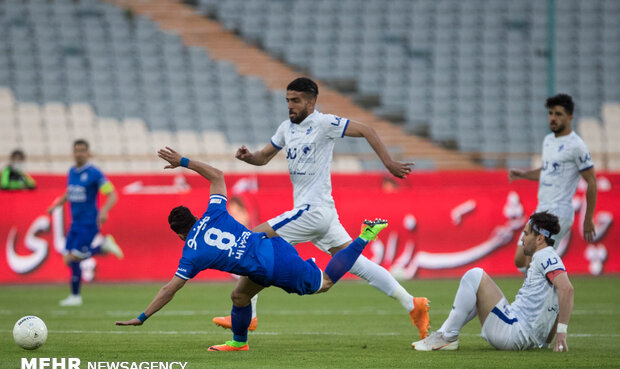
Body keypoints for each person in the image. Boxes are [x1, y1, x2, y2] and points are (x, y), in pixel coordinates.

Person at [212, 77, 430, 339]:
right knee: (356, 263)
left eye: (296, 101)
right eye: (288, 101)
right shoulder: (286, 128)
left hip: (313, 210)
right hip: (322, 214)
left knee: (252, 240)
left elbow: (367, 130)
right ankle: (412, 304)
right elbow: (264, 157)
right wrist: (250, 157)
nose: (290, 106)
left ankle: (250, 317)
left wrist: (389, 163)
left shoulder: (324, 123)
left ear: (311, 102)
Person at [115, 147, 388, 352]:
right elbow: (217, 176)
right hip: (270, 247)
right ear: (195, 217)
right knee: (239, 297)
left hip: (272, 265)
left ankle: (364, 236)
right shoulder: (213, 211)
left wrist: (142, 317)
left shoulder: (192, 252)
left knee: (325, 283)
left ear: (178, 234)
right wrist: (183, 162)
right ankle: (239, 343)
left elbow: (169, 289)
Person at [413, 211, 574, 352]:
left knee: (474, 275)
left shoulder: (545, 255)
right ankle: (443, 334)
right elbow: (557, 304)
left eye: (526, 234)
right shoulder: (548, 258)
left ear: (539, 238)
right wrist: (545, 342)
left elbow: (567, 289)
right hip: (520, 333)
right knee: (475, 291)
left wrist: (561, 333)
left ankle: (447, 337)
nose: (522, 239)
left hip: (514, 332)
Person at [509, 94, 597, 274]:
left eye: (558, 114)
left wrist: (588, 218)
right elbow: (546, 171)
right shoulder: (548, 140)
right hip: (541, 209)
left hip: (558, 212)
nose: (553, 118)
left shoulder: (577, 146)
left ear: (570, 117)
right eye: (550, 113)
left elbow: (592, 181)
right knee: (521, 259)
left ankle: (545, 299)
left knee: (533, 260)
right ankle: (550, 293)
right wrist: (524, 174)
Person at [47, 139, 123, 306]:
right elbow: (70, 192)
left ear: (88, 153)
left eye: (82, 150)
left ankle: (102, 247)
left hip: (89, 223)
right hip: (75, 223)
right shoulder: (71, 172)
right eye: (76, 150)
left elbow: (112, 194)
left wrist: (103, 211)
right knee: (68, 259)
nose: (79, 153)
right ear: (72, 153)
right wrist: (56, 205)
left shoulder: (94, 173)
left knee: (75, 256)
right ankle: (75, 296)